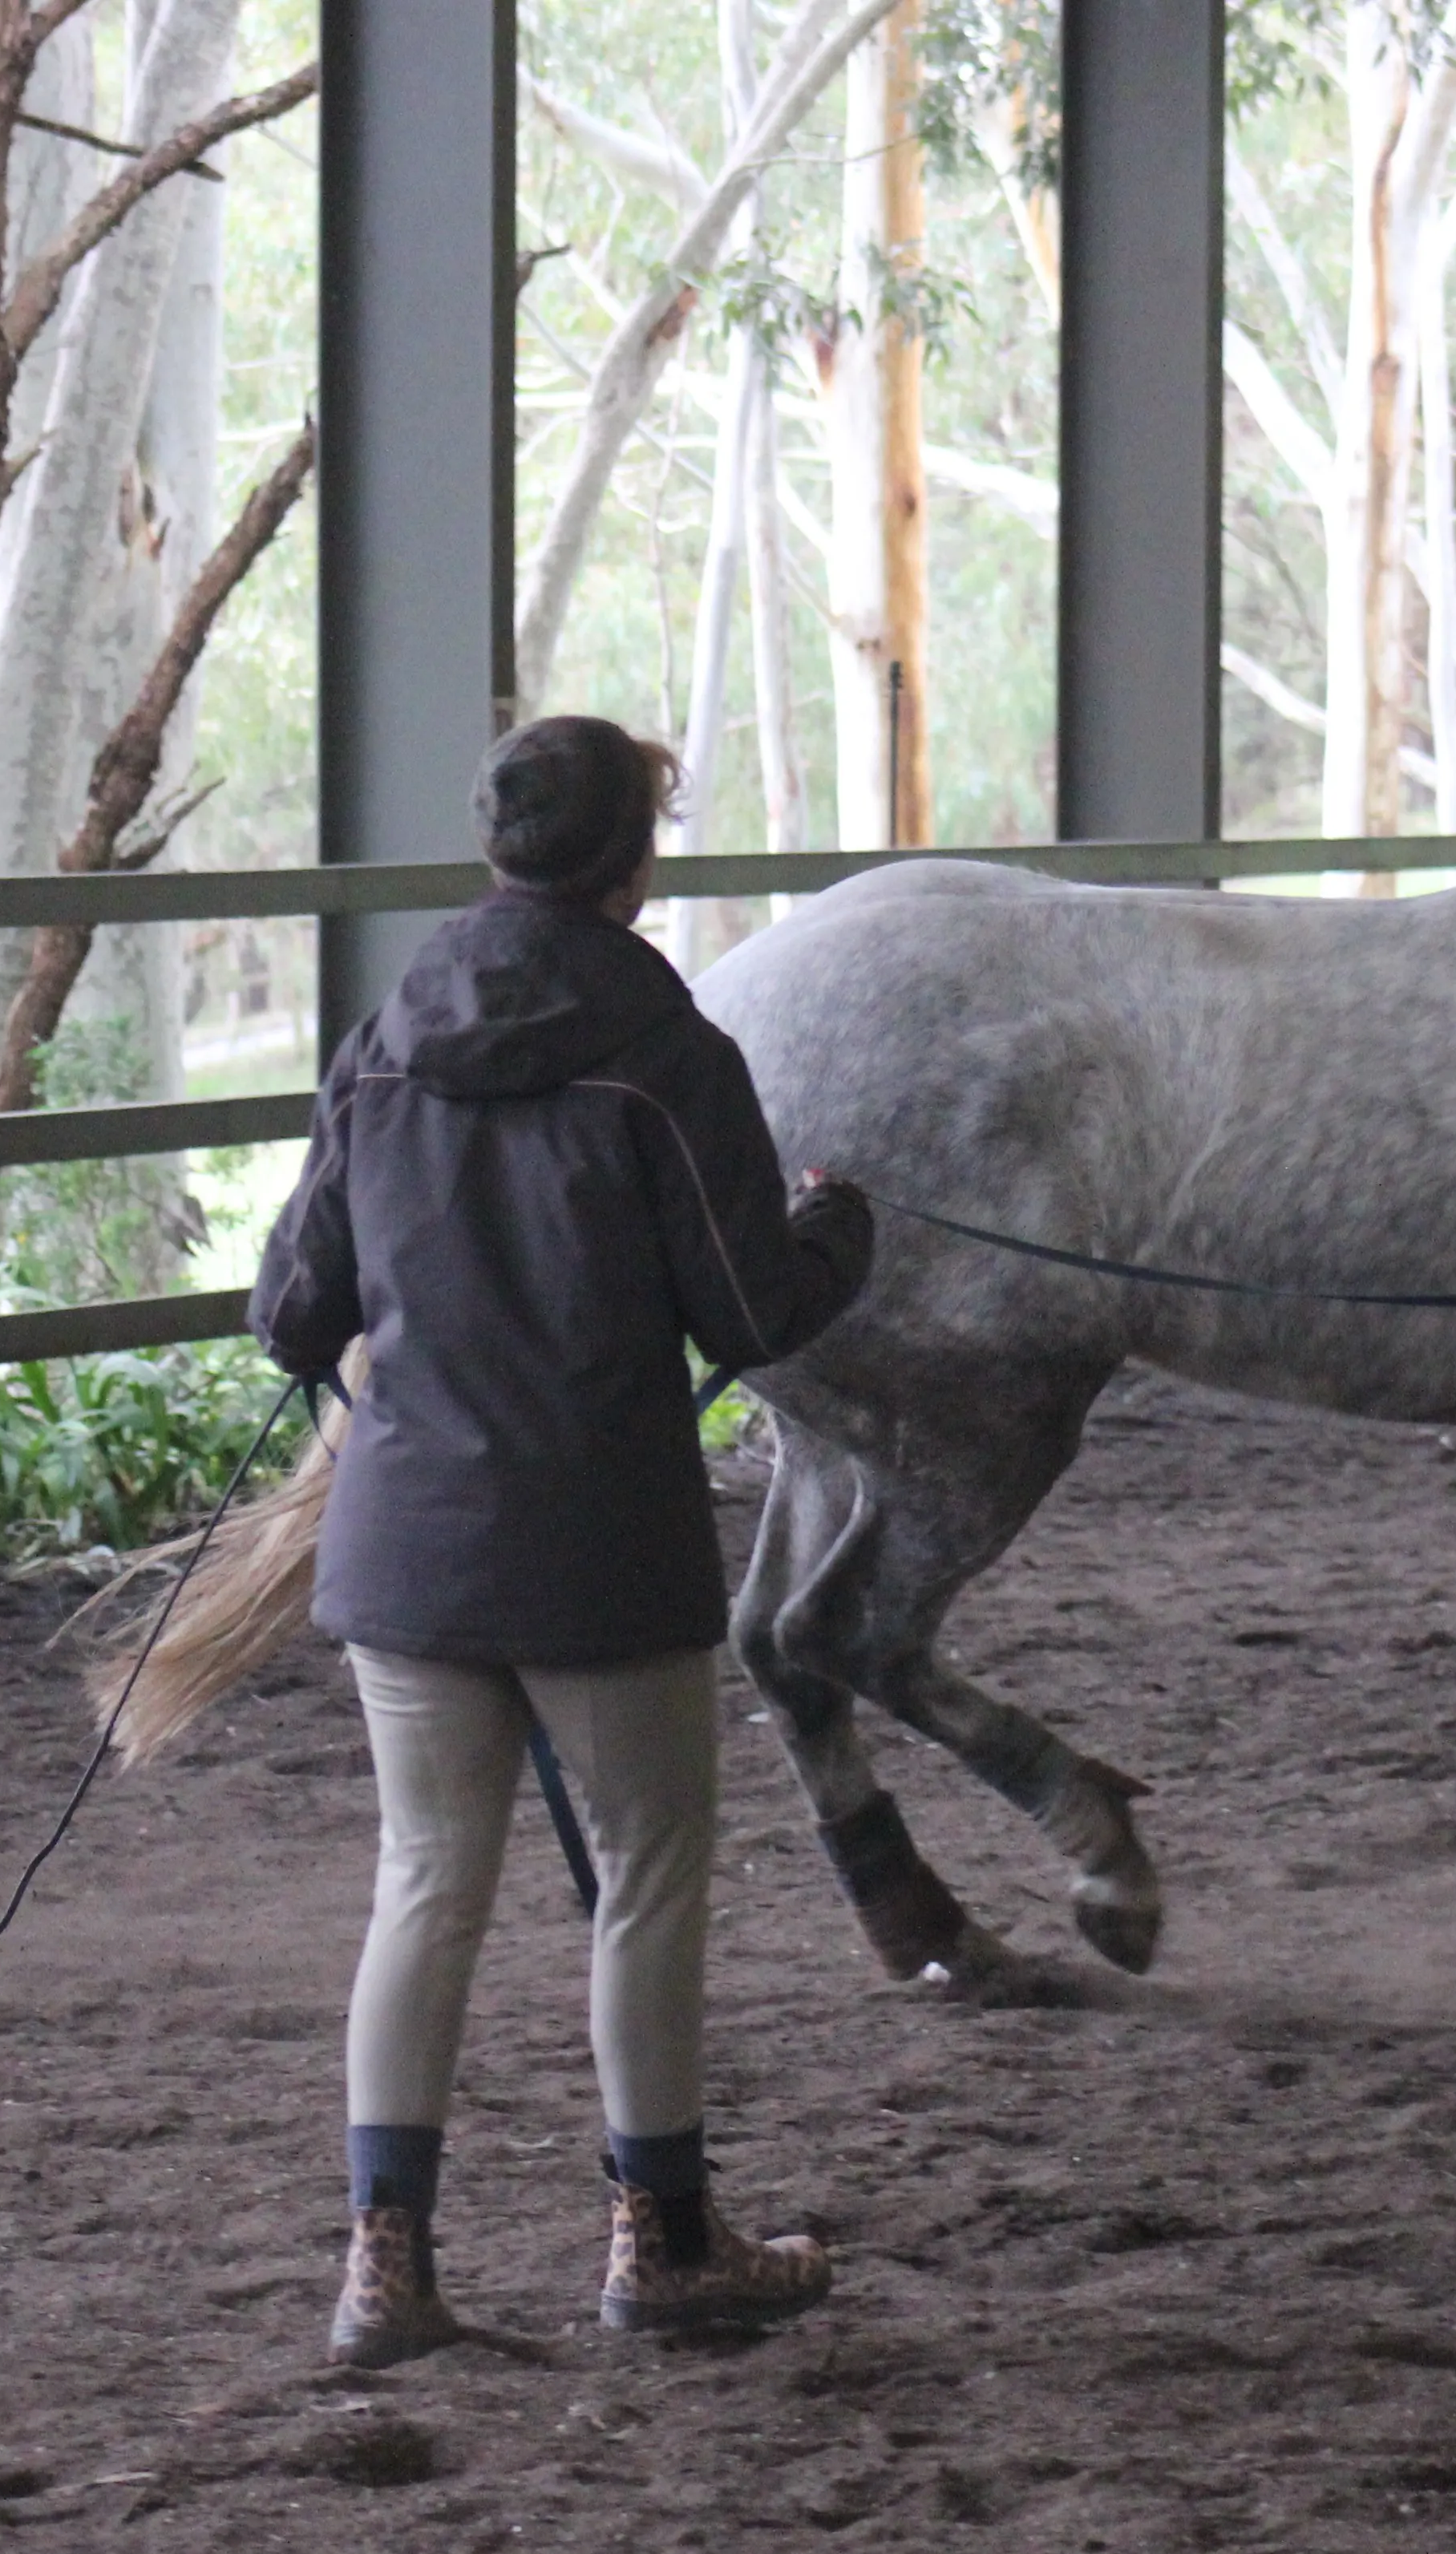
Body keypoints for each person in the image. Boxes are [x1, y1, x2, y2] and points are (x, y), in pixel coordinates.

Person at [249, 715, 876, 2369]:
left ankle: (385, 2267)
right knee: (650, 1879)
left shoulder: (386, 1036)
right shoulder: (667, 1053)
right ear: (632, 860)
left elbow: (291, 1307)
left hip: (407, 1541)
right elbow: (751, 1309)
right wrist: (838, 1228)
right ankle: (660, 2245)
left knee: (424, 1886)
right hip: (599, 1542)